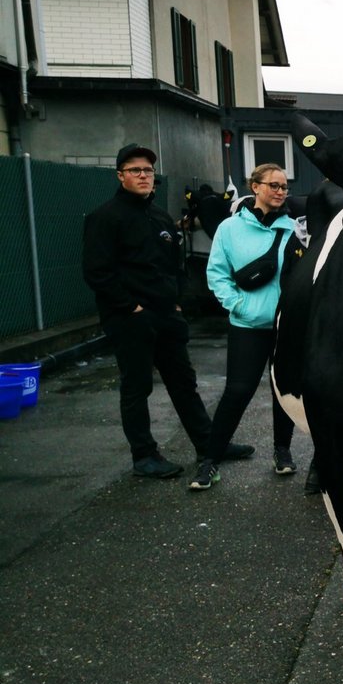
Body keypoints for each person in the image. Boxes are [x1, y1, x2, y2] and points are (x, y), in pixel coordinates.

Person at [82, 144, 250, 478]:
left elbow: (175, 265)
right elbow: (97, 272)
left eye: (148, 170)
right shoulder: (105, 218)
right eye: (135, 170)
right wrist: (131, 306)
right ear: (120, 176)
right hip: (130, 318)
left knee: (184, 383)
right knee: (137, 387)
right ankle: (144, 456)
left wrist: (177, 301)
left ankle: (208, 443)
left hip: (167, 316)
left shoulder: (159, 216)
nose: (144, 176)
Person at [189, 164, 301, 490]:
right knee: (237, 392)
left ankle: (282, 451)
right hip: (247, 325)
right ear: (255, 186)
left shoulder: (293, 229)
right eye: (273, 185)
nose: (280, 191)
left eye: (284, 186)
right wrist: (239, 306)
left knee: (283, 392)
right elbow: (217, 274)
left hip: (285, 327)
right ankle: (210, 460)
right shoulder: (229, 228)